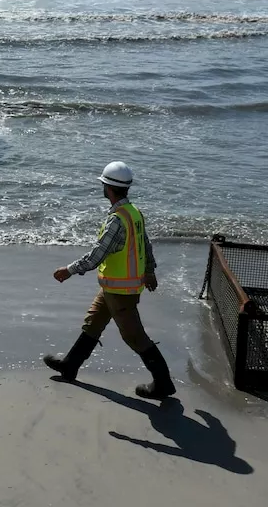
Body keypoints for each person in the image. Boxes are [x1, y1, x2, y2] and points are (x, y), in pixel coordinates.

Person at [43, 161, 176, 399]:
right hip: (114, 286)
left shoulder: (116, 220)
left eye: (104, 184)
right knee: (94, 321)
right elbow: (145, 244)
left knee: (134, 336)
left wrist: (69, 270)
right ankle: (70, 365)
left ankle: (163, 383)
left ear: (108, 188)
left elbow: (97, 255)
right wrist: (150, 271)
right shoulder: (134, 213)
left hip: (120, 290)